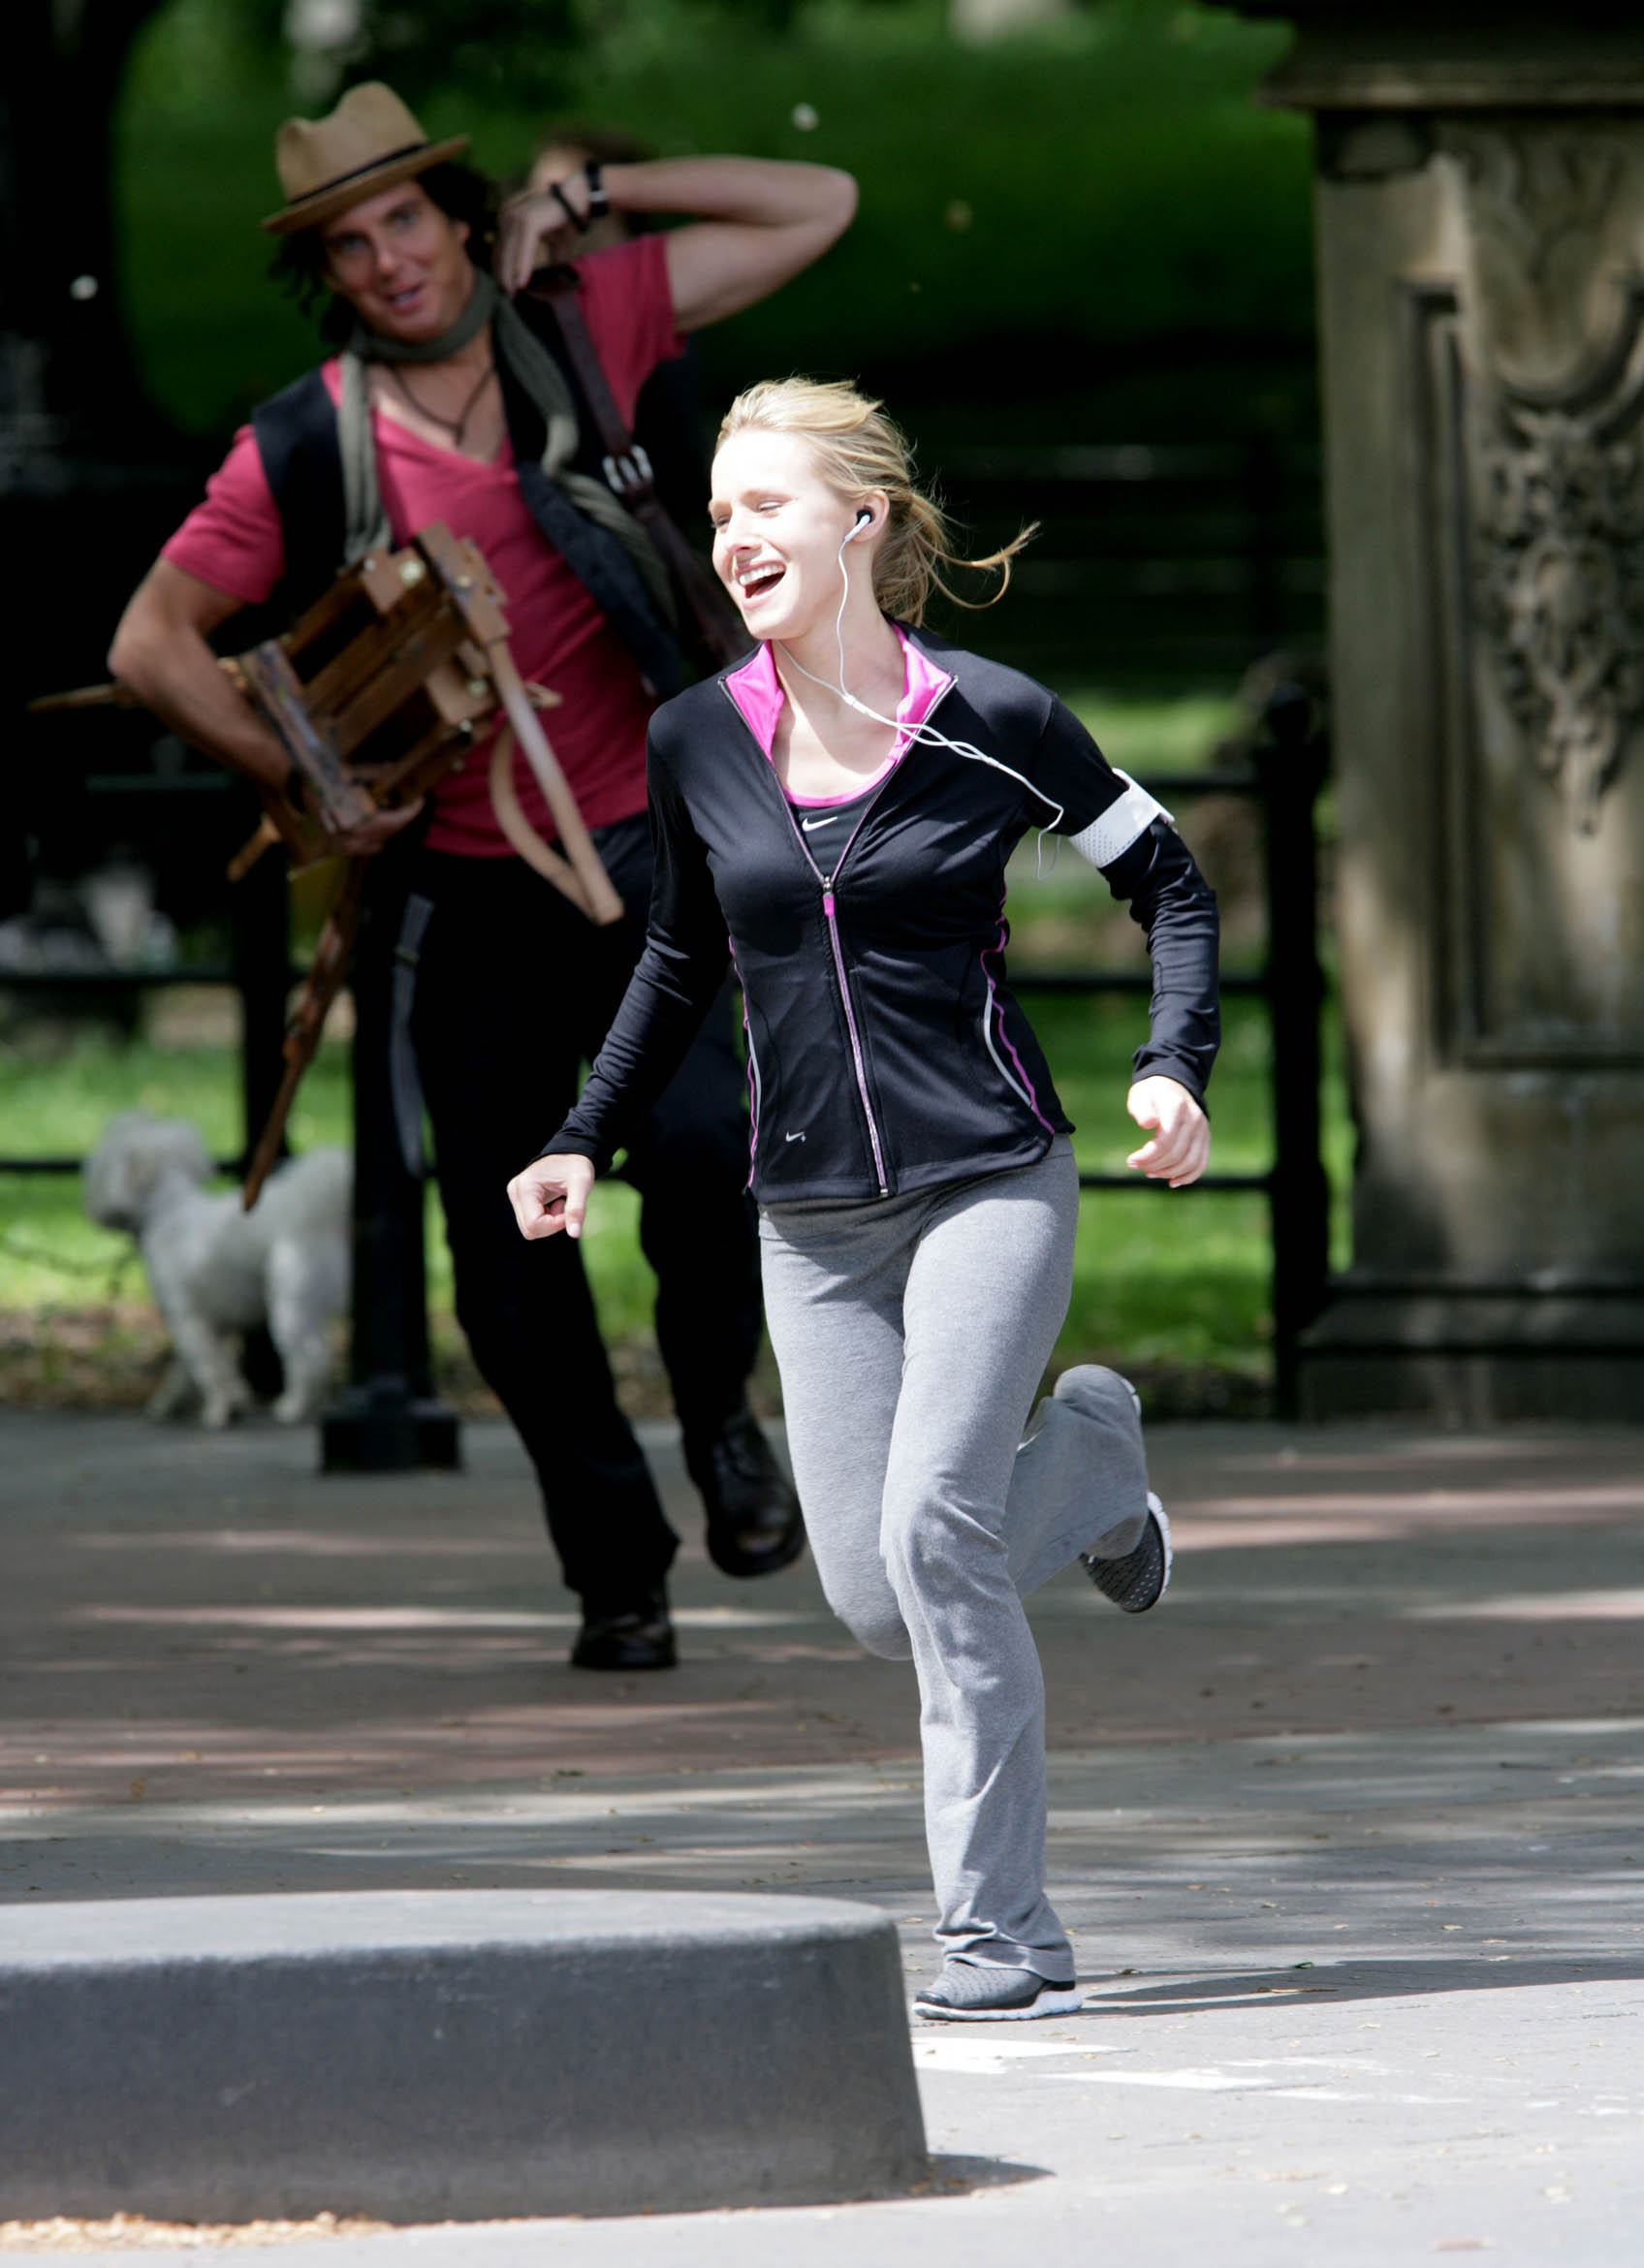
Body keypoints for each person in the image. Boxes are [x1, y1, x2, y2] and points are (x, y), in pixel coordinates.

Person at [108, 84, 858, 1672]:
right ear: (327, 273)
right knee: (514, 1267)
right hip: (464, 895)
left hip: (652, 855)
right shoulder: (305, 439)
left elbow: (820, 202)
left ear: (459, 218)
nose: (388, 260)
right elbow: (150, 645)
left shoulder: (577, 326)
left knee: (706, 1152)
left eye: (405, 219)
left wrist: (594, 200)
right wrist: (306, 779)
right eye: (348, 243)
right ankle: (617, 1573)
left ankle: (722, 1421)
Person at [507, 378, 1220, 2021]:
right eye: (718, 513)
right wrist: (582, 1136)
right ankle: (1097, 1459)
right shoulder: (697, 735)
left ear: (862, 520)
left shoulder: (995, 716)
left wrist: (1172, 1065)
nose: (733, 537)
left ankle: (1002, 1935)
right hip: (812, 1218)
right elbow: (679, 956)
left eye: (765, 504)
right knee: (873, 1597)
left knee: (937, 1538)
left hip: (990, 1180)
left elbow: (1169, 880)